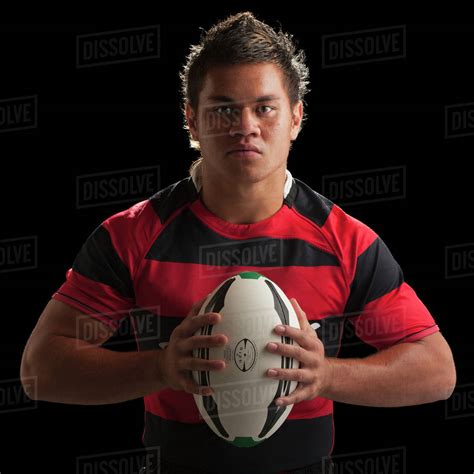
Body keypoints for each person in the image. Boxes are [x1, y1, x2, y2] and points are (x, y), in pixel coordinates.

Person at [20, 12, 456, 474]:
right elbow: (38, 371)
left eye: (264, 107)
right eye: (223, 108)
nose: (244, 125)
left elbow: (436, 371)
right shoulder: (132, 236)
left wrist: (327, 375)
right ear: (192, 120)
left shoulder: (346, 241)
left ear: (296, 117)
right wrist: (162, 368)